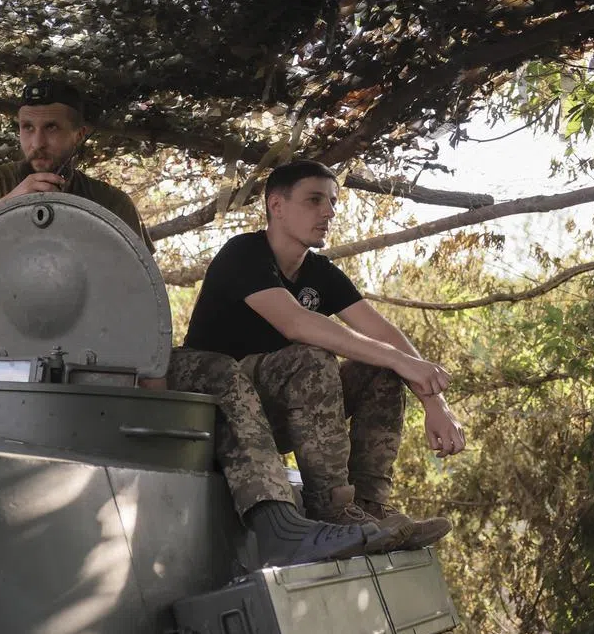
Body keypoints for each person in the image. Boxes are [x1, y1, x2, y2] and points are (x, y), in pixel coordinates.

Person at [169, 159, 465, 568]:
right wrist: (403, 361)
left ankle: (369, 509)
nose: (329, 212)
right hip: (215, 411)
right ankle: (332, 510)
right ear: (276, 205)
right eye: (314, 200)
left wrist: (436, 404)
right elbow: (296, 323)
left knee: (381, 369)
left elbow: (384, 334)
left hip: (277, 415)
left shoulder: (320, 274)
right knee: (310, 357)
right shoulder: (243, 253)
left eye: (332, 202)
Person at [0, 78, 154, 288]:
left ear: (79, 135)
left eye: (51, 127)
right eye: (28, 128)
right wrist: (7, 207)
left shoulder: (112, 204)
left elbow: (142, 292)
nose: (37, 143)